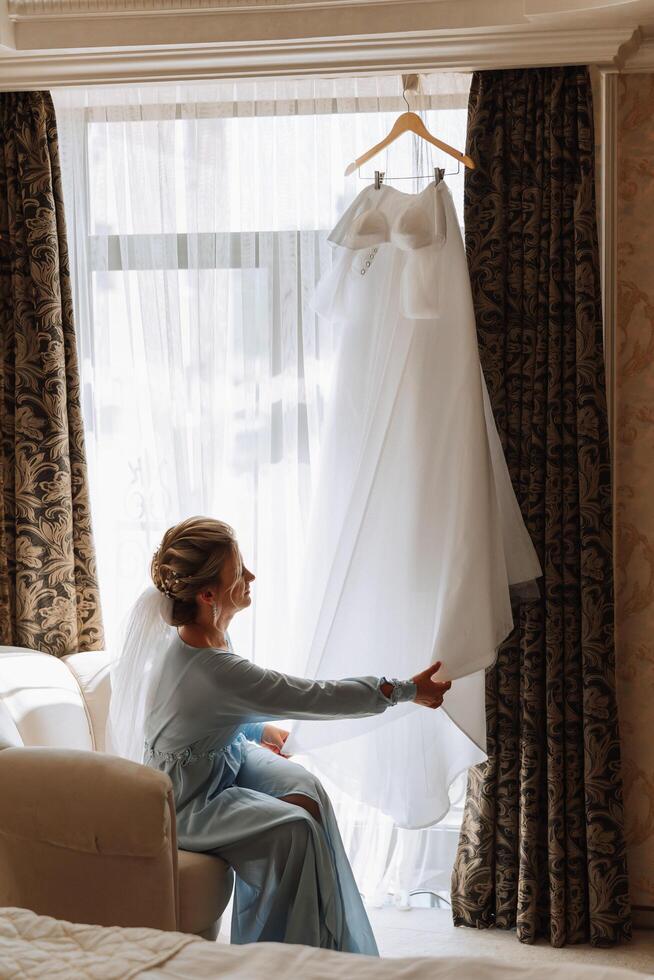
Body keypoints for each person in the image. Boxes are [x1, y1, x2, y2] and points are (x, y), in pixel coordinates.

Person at [111, 516, 451, 955]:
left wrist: (258, 727)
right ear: (208, 593)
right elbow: (313, 696)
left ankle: (327, 944)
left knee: (307, 789)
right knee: (295, 831)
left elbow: (211, 711)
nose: (251, 577)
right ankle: (276, 956)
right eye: (240, 572)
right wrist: (403, 690)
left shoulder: (208, 635)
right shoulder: (212, 665)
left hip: (221, 756)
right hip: (190, 799)